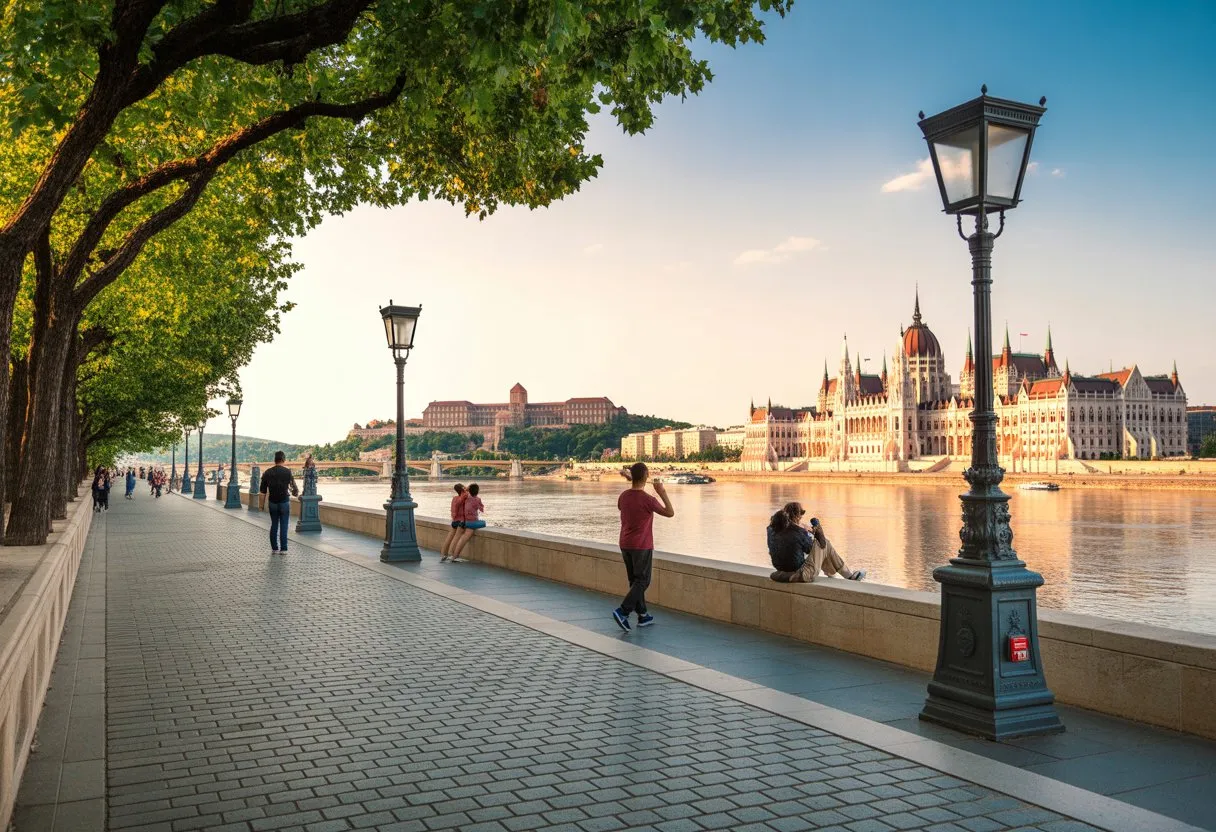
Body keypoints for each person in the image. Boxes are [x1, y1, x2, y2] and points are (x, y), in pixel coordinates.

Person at [612, 462, 674, 632]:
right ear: (646, 475)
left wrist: (634, 480)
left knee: (634, 581)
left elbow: (623, 506)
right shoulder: (648, 500)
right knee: (643, 581)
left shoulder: (623, 496)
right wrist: (662, 492)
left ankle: (643, 615)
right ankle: (623, 611)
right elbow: (670, 512)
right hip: (642, 545)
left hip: (625, 544)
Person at [767, 502, 865, 583]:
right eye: (800, 516)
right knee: (825, 543)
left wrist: (803, 530)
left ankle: (831, 573)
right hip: (801, 574)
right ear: (797, 516)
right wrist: (815, 532)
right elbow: (811, 548)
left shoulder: (771, 530)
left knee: (822, 546)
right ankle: (848, 576)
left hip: (781, 570)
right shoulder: (798, 531)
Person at [258, 451, 299, 554]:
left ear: (274, 460)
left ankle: (274, 548)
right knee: (284, 525)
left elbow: (262, 492)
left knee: (274, 525)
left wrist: (261, 506)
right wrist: (294, 493)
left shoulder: (267, 472)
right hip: (284, 501)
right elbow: (295, 489)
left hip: (272, 502)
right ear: (283, 460)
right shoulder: (288, 472)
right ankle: (283, 549)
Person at [448, 483, 484, 562]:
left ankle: (452, 555)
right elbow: (482, 509)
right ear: (477, 491)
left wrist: (466, 489)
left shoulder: (466, 497)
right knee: (463, 540)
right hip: (472, 522)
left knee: (459, 539)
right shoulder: (477, 499)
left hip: (464, 521)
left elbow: (458, 503)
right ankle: (455, 557)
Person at [440, 484, 467, 562]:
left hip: (454, 521)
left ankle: (443, 554)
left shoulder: (454, 498)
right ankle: (452, 555)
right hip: (461, 521)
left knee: (449, 538)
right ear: (462, 489)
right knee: (456, 538)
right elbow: (468, 494)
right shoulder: (464, 497)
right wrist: (465, 489)